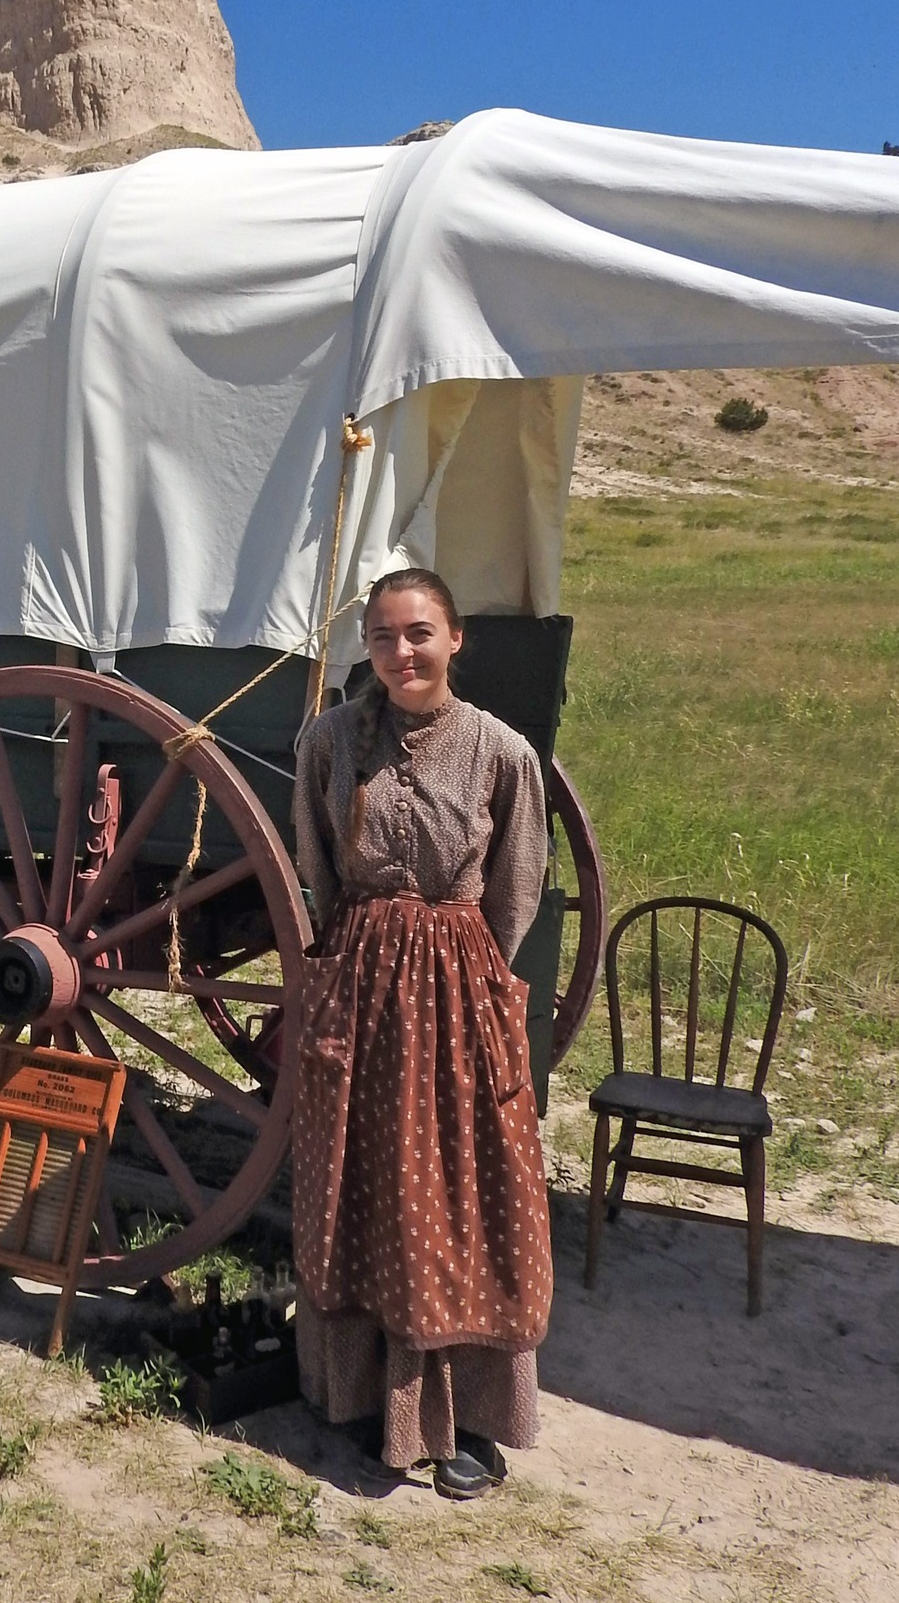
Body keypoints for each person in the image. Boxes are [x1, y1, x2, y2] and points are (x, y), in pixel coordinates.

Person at [289, 567, 553, 1499]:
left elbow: (517, 886)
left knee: (468, 1187)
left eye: (421, 633)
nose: (404, 652)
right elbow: (315, 865)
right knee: (365, 1180)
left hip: (460, 983)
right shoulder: (330, 742)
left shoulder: (499, 752)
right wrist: (367, 948)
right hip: (362, 976)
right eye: (385, 636)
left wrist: (459, 965)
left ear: (454, 640)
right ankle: (372, 1403)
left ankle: (472, 1421)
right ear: (369, 647)